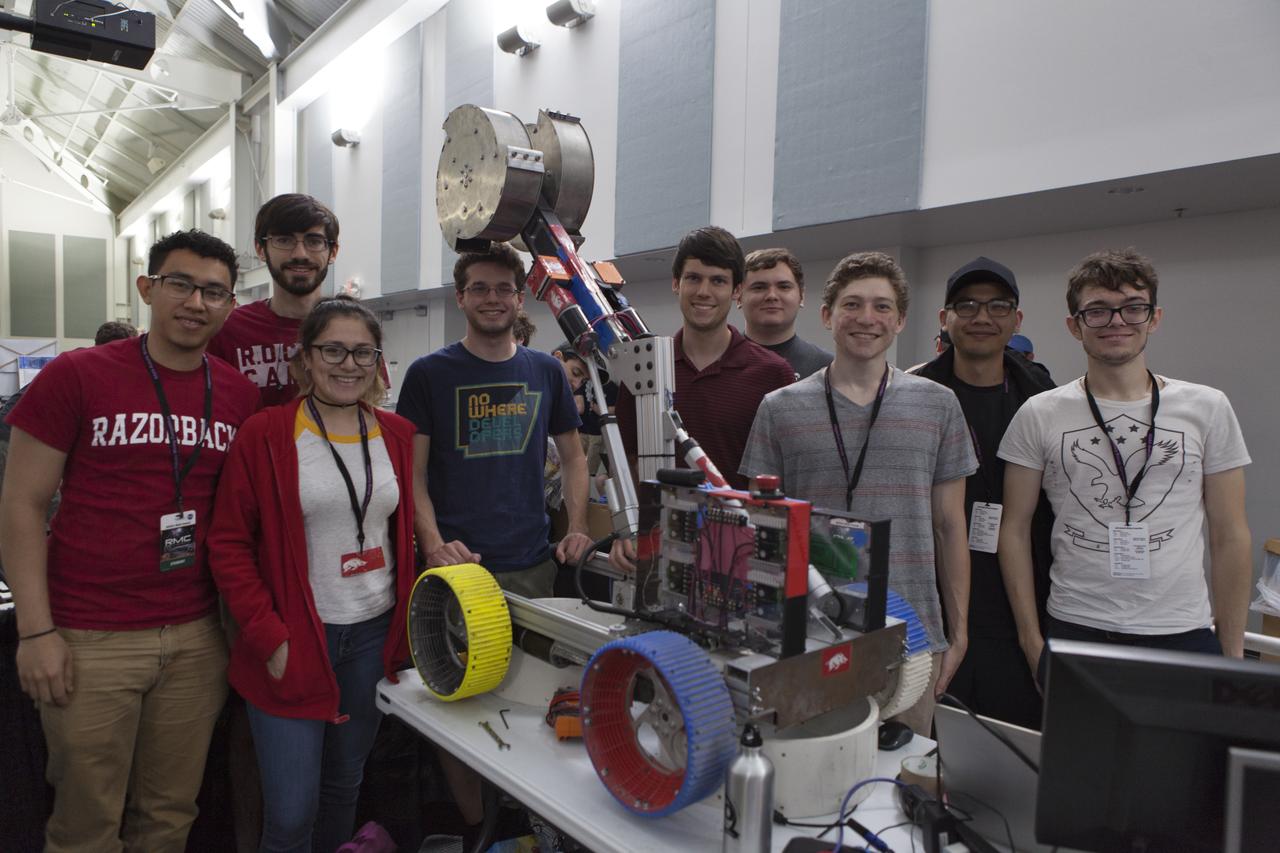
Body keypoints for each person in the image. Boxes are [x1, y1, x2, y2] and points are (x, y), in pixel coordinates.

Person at [0, 229, 259, 852]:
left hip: (197, 638)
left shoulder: (238, 394)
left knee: (170, 815)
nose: (196, 302)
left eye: (214, 292)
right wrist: (36, 632)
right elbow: (21, 504)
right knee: (86, 823)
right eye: (181, 284)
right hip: (90, 636)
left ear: (229, 306)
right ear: (148, 289)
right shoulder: (77, 375)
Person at [208, 296, 415, 853]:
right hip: (295, 637)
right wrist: (268, 636)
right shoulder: (268, 434)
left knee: (345, 785)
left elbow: (403, 530)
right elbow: (227, 543)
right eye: (333, 350)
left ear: (377, 361)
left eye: (362, 352)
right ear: (305, 358)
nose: (348, 364)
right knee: (292, 813)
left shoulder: (395, 434)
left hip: (372, 633)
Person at [740, 251, 975, 734]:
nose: (867, 319)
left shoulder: (938, 404)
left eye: (882, 307)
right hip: (809, 636)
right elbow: (761, 534)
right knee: (811, 783)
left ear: (900, 320)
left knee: (900, 786)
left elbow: (951, 526)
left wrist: (959, 632)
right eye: (852, 305)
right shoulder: (779, 408)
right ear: (827, 315)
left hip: (910, 641)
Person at [997, 249, 1252, 682]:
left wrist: (1232, 653)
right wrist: (1030, 640)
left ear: (1154, 318)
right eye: (1097, 310)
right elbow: (1014, 530)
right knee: (1081, 753)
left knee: (1185, 752)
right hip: (1078, 626)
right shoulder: (1039, 413)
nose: (1116, 322)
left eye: (1132, 308)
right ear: (1074, 326)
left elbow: (1230, 534)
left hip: (1182, 630)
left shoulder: (1207, 407)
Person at [395, 242, 592, 598]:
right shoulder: (428, 374)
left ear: (520, 300)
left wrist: (577, 527)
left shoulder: (546, 371)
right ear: (460, 297)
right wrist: (433, 545)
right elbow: (412, 471)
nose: (492, 298)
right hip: (455, 566)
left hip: (531, 563)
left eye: (504, 289)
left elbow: (574, 458)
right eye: (479, 288)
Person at [910, 257, 1055, 729]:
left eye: (998, 306)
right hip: (938, 597)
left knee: (1015, 745)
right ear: (944, 318)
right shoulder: (914, 394)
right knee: (931, 749)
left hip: (1024, 599)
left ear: (1017, 320)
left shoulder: (1043, 396)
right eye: (967, 305)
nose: (982, 317)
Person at [615, 226, 794, 492]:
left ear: (737, 291)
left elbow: (784, 475)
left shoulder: (773, 374)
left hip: (739, 531)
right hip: (657, 531)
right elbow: (627, 460)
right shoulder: (643, 369)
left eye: (718, 280)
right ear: (676, 283)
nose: (703, 291)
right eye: (694, 278)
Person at [208, 194, 341, 407]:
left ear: (332, 251)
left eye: (314, 241)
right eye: (284, 240)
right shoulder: (228, 330)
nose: (300, 254)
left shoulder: (351, 330)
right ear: (261, 249)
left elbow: (371, 407)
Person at [739, 248, 832, 379]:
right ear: (738, 297)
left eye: (784, 287)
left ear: (802, 296)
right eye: (759, 287)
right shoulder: (716, 361)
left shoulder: (828, 368)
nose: (772, 296)